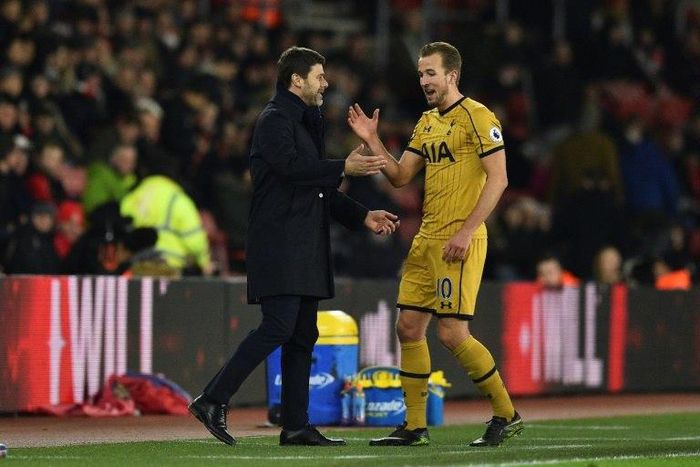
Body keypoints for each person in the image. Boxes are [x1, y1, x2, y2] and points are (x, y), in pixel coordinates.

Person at [188, 46, 399, 447]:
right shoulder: (274, 120)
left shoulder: (304, 121)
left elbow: (314, 187)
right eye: (320, 77)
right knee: (279, 326)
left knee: (304, 334)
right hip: (280, 243)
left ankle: (296, 424)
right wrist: (342, 167)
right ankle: (212, 398)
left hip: (302, 244)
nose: (326, 84)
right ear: (296, 80)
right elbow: (291, 169)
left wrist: (362, 216)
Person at [347, 41, 522, 447]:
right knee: (408, 327)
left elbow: (499, 178)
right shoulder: (427, 122)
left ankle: (506, 412)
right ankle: (414, 426)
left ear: (452, 76)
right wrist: (373, 141)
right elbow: (400, 177)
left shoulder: (478, 117)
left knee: (452, 334)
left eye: (431, 73)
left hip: (460, 239)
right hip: (426, 240)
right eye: (421, 73)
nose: (424, 80)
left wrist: (465, 230)